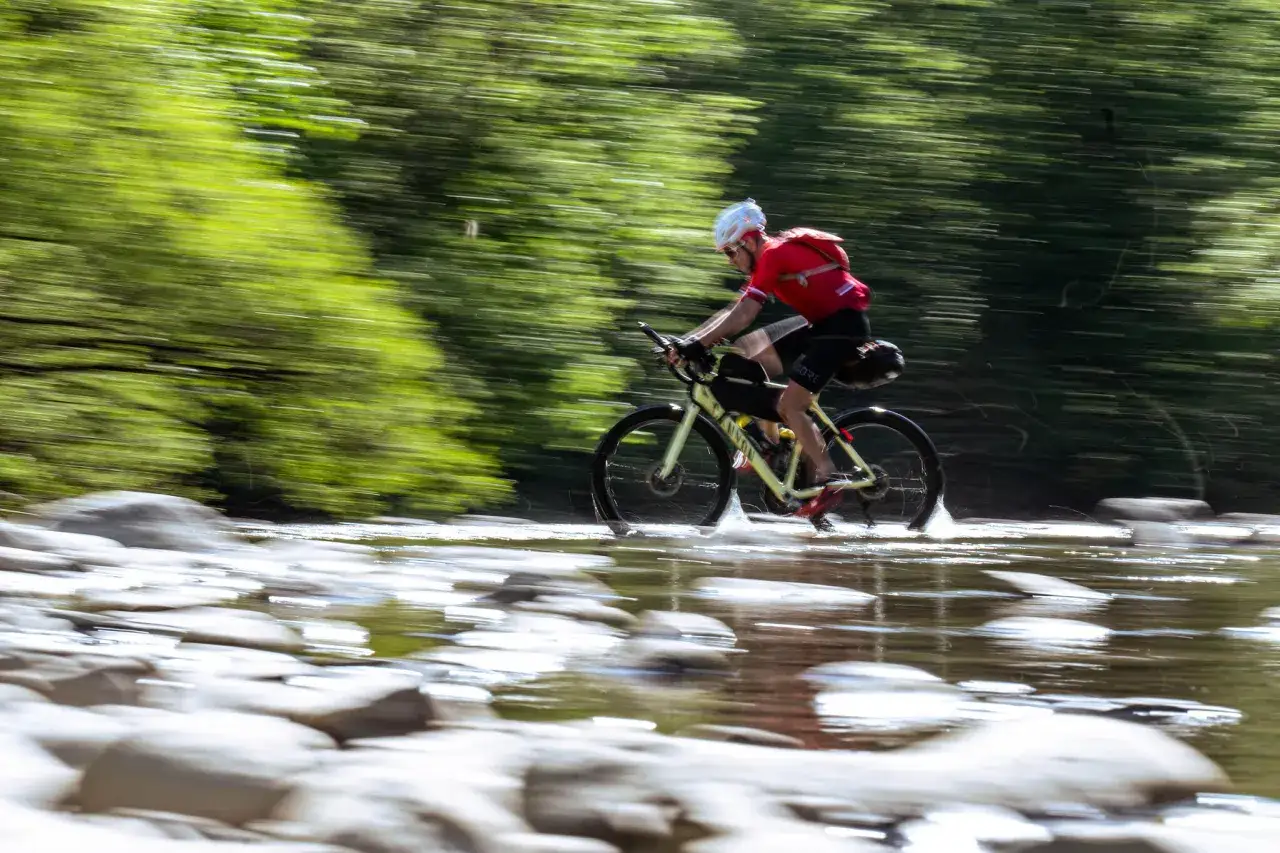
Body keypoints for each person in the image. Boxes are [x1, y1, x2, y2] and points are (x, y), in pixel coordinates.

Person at [668, 199, 872, 519]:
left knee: (791, 405)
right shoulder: (766, 259)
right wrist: (690, 342)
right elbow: (733, 311)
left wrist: (696, 345)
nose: (730, 260)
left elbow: (747, 313)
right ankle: (771, 444)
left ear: (749, 241)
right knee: (748, 352)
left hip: (843, 327)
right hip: (822, 324)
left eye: (731, 252)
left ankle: (828, 476)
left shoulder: (774, 254)